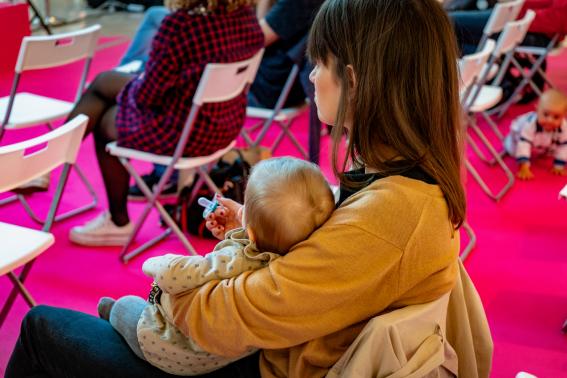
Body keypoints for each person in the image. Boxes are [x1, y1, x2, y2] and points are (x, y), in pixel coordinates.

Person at [6, 0, 469, 376]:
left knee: (42, 326)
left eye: (319, 63)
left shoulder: (390, 217)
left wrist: (172, 285)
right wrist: (252, 227)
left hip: (270, 361)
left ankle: (115, 218)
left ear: (355, 80)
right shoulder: (408, 177)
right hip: (283, 334)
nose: (310, 76)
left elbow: (224, 320)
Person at [97, 157, 335, 375]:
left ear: (250, 229)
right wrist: (240, 227)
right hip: (224, 355)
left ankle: (112, 313)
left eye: (244, 206)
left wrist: (156, 263)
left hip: (173, 348)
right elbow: (254, 247)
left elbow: (173, 275)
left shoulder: (235, 259)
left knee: (127, 306)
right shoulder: (286, 261)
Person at [65, 0, 263, 246]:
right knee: (106, 83)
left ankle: (116, 219)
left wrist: (136, 80)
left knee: (106, 116)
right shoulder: (246, 17)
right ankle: (54, 159)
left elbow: (147, 96)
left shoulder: (181, 24)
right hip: (224, 126)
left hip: (184, 135)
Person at [504, 88, 567, 180]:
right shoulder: (530, 124)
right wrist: (524, 166)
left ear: (564, 116)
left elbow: (564, 146)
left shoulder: (564, 127)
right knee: (514, 150)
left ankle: (542, 148)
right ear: (537, 110)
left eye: (556, 117)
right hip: (518, 139)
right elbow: (523, 144)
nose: (550, 120)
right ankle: (513, 147)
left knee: (557, 145)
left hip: (543, 141)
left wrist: (559, 165)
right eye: (545, 114)